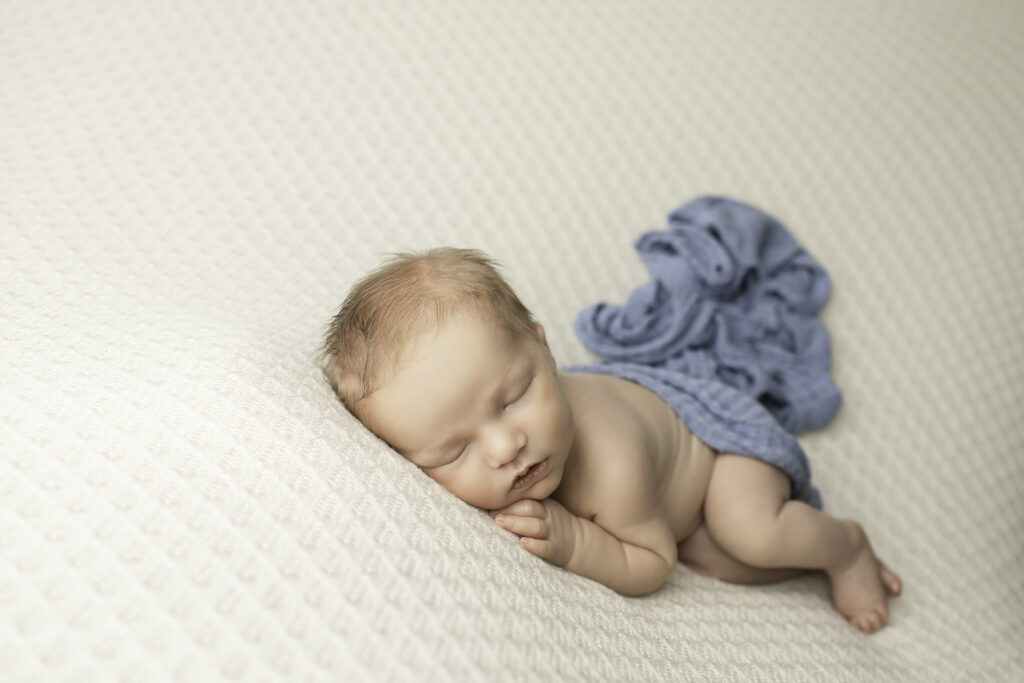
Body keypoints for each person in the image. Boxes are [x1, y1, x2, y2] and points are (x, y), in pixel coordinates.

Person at [320, 247, 901, 633]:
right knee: (727, 562)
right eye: (455, 451)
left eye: (514, 396)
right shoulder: (502, 432)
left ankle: (845, 547)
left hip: (721, 446)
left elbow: (653, 563)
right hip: (672, 497)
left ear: (542, 347)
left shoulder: (610, 466)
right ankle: (803, 557)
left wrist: (575, 541)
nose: (505, 448)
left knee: (748, 532)